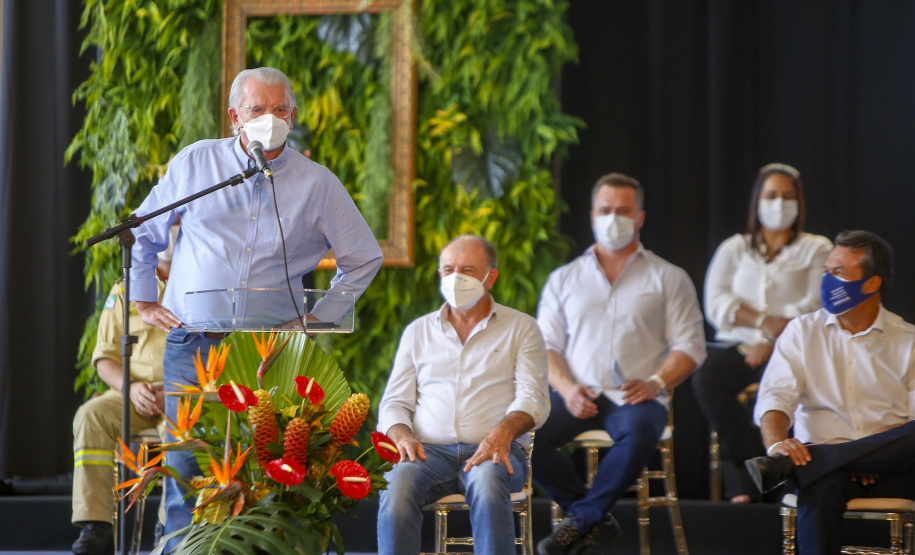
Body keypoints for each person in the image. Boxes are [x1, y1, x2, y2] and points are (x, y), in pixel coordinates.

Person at [129, 67, 383, 541]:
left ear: (294, 115)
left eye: (279, 109)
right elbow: (142, 233)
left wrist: (318, 317)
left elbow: (364, 257)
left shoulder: (318, 183)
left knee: (265, 470)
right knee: (187, 463)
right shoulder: (196, 165)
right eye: (256, 109)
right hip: (194, 346)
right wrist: (144, 300)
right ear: (233, 117)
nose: (270, 119)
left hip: (270, 353)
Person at [534, 173, 707, 554]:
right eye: (606, 210)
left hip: (638, 396)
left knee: (641, 432)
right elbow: (545, 346)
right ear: (592, 216)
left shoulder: (669, 277)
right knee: (524, 435)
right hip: (576, 393)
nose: (614, 218)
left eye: (624, 211)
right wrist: (566, 387)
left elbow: (691, 346)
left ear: (640, 217)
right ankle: (595, 517)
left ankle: (581, 521)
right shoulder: (563, 279)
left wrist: (657, 382)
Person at [376, 235, 550, 555]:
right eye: (448, 269)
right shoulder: (418, 331)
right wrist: (401, 436)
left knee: (486, 482)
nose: (456, 277)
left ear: (490, 276)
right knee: (396, 485)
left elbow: (533, 397)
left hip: (496, 452)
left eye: (467, 269)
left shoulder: (522, 328)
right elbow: (394, 403)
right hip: (428, 454)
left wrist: (503, 433)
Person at [745, 230, 915, 555]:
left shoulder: (908, 340)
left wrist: (870, 452)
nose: (827, 280)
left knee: (816, 469)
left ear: (871, 284)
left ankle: (818, 461)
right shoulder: (802, 331)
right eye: (826, 271)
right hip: (825, 473)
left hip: (892, 469)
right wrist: (778, 444)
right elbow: (774, 398)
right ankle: (825, 463)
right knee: (821, 482)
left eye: (837, 273)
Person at [692, 163, 832, 503]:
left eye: (787, 196)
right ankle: (755, 468)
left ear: (799, 203)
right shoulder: (734, 248)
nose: (778, 203)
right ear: (757, 201)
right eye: (771, 195)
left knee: (788, 391)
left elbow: (814, 304)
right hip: (738, 347)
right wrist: (761, 324)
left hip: (793, 349)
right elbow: (716, 302)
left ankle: (759, 481)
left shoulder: (816, 248)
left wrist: (772, 339)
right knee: (707, 379)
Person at [70, 240, 175, 555]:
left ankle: (169, 530)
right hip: (133, 394)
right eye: (168, 222)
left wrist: (172, 393)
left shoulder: (204, 283)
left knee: (181, 433)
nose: (172, 231)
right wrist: (130, 387)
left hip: (184, 395)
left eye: (179, 223)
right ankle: (98, 526)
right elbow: (104, 359)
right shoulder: (127, 288)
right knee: (91, 415)